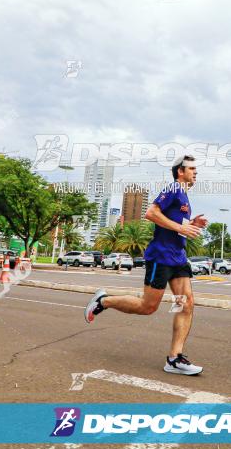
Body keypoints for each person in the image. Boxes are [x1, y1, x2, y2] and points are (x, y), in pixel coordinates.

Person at [84, 155, 208, 375]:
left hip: (178, 258)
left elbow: (172, 223)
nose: (196, 172)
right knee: (148, 307)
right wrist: (181, 228)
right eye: (192, 168)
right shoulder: (173, 189)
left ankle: (174, 359)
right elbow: (151, 213)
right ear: (180, 171)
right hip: (160, 257)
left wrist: (190, 224)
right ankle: (104, 301)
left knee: (186, 303)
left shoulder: (184, 197)